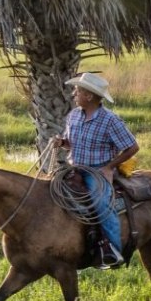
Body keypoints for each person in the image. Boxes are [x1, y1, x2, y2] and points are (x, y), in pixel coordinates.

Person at [51, 73, 138, 267]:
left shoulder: (110, 120)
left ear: (89, 96)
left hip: (97, 172)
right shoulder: (73, 116)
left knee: (102, 206)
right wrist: (62, 142)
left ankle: (113, 252)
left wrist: (109, 167)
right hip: (73, 169)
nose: (74, 94)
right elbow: (71, 143)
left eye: (78, 91)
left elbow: (132, 147)